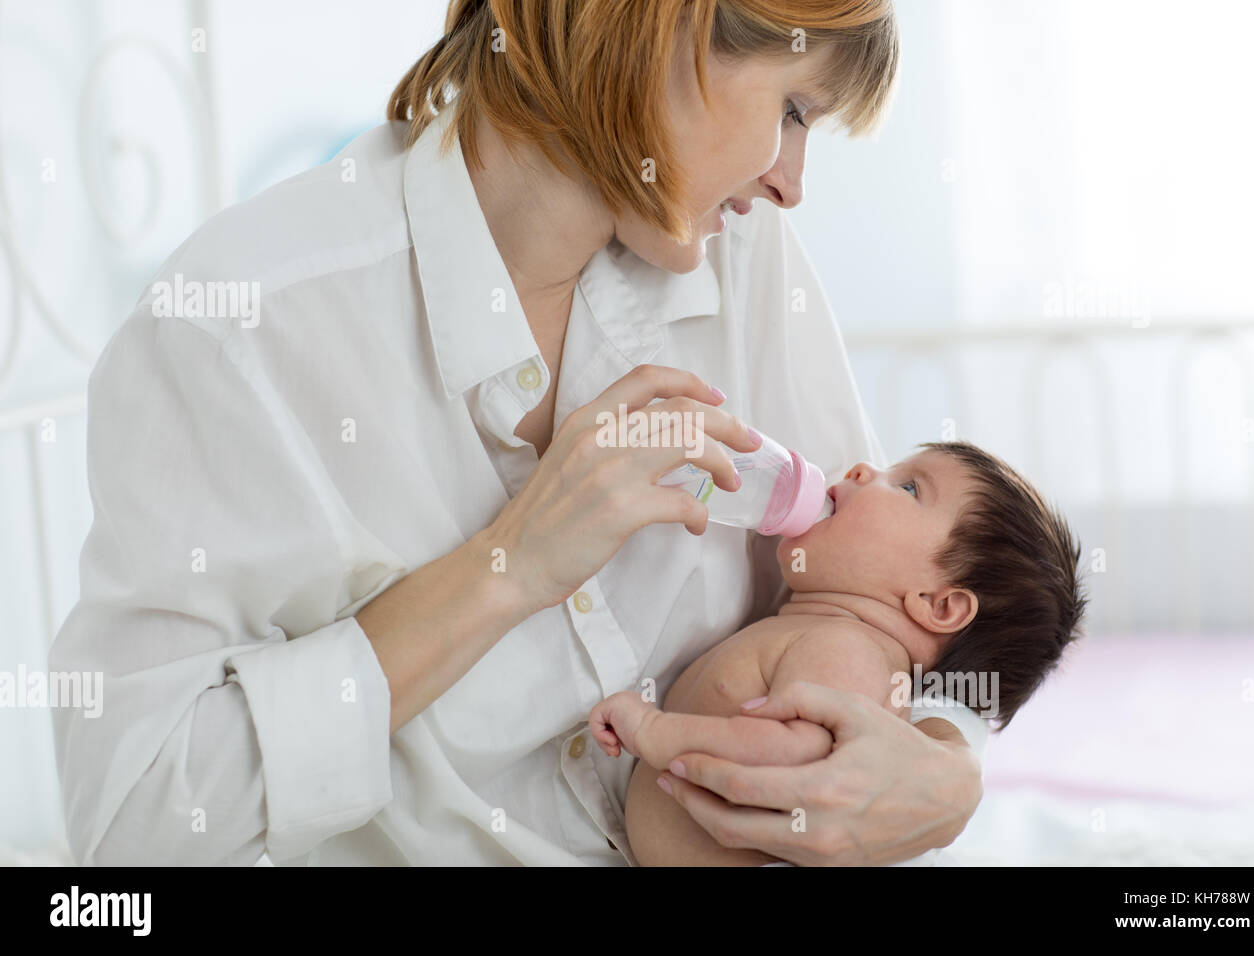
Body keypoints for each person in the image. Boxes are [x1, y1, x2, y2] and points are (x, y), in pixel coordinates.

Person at [49, 0, 984, 865]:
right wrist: (509, 565)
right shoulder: (242, 328)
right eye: (793, 110)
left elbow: (893, 598)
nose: (792, 183)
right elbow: (134, 825)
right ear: (660, 27)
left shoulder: (744, 261)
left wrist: (949, 768)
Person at [589, 442, 1087, 865]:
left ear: (939, 605)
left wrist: (651, 730)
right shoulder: (824, 634)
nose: (863, 469)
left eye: (909, 487)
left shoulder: (847, 648)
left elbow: (791, 755)